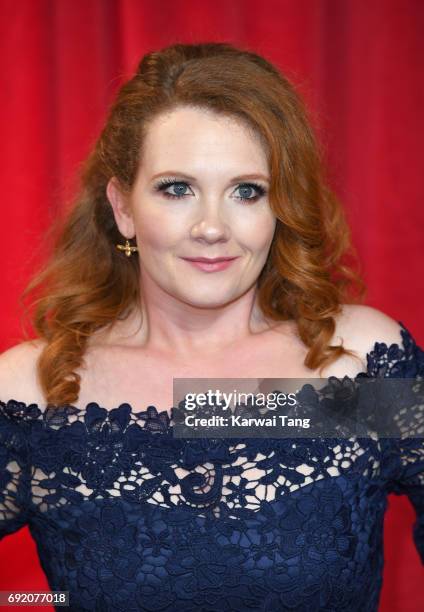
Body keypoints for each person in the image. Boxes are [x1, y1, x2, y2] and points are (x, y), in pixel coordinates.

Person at [0, 41, 422, 612]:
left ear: (281, 206)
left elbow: (210, 409)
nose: (211, 228)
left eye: (247, 191)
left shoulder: (358, 361)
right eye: (177, 189)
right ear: (123, 206)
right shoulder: (34, 389)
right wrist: (40, 600)